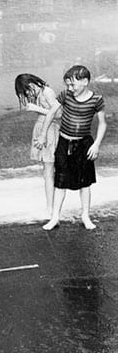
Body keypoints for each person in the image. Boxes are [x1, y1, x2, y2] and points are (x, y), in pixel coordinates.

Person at [37, 65, 107, 231]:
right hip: (64, 142)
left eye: (72, 84)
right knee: (60, 181)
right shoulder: (66, 95)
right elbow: (51, 113)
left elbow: (103, 124)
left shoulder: (96, 100)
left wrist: (96, 144)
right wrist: (43, 135)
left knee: (85, 182)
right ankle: (55, 217)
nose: (70, 88)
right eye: (67, 85)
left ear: (85, 82)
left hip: (84, 144)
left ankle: (85, 215)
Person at [14, 73, 61, 217]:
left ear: (32, 83)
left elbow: (58, 113)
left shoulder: (47, 92)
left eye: (26, 90)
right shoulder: (39, 94)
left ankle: (51, 208)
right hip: (41, 129)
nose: (27, 94)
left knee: (49, 169)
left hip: (49, 131)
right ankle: (50, 206)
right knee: (46, 170)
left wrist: (37, 109)